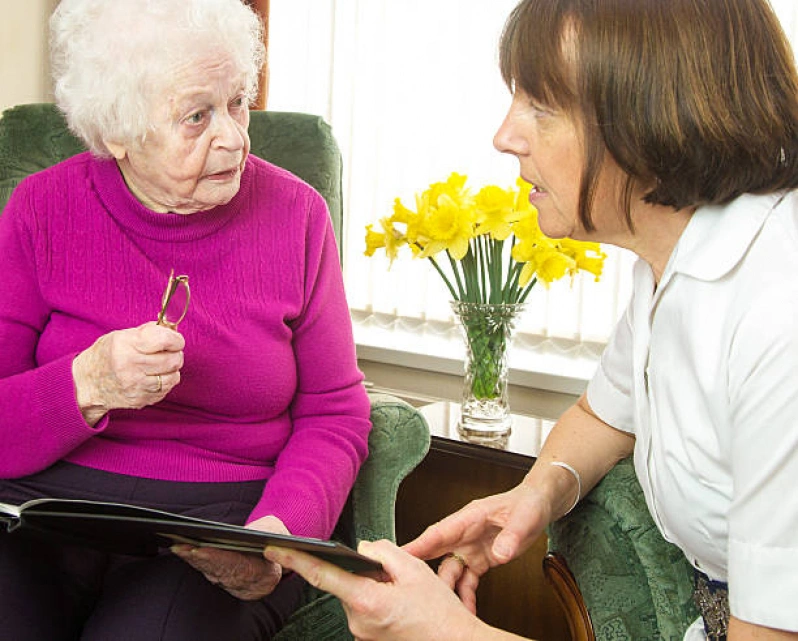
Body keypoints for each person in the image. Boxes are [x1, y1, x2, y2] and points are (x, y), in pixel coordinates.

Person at [264, 0, 798, 639]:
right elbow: (605, 415)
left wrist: (442, 630)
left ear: (658, 114)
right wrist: (534, 496)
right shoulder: (671, 260)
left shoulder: (779, 314)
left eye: (542, 106)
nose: (505, 135)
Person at [0, 0, 371, 639]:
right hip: (48, 512)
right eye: (197, 116)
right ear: (115, 130)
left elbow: (335, 412)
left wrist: (280, 538)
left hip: (219, 529)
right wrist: (86, 384)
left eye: (238, 102)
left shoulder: (298, 217)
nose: (232, 137)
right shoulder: (41, 208)